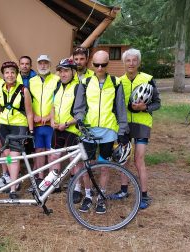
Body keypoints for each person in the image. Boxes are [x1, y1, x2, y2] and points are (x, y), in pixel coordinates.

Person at [73, 50, 129, 214]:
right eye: (96, 65)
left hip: (108, 130)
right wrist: (80, 119)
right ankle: (88, 196)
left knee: (104, 166)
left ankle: (102, 197)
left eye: (103, 65)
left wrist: (122, 130)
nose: (99, 68)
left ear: (107, 64)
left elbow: (120, 109)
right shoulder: (85, 82)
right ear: (92, 64)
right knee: (87, 166)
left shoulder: (116, 82)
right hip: (88, 131)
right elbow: (78, 108)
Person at [110, 48, 161, 209]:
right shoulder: (118, 81)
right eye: (128, 60)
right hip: (124, 125)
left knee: (139, 159)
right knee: (124, 158)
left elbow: (158, 103)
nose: (131, 63)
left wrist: (144, 108)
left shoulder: (148, 79)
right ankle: (123, 190)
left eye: (134, 60)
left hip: (142, 125)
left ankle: (144, 195)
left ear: (138, 62)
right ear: (124, 63)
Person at [0, 61, 34, 199]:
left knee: (15, 157)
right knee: (8, 156)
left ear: (16, 74)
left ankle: (12, 188)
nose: (10, 75)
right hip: (4, 126)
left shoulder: (24, 90)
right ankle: (15, 181)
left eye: (12, 72)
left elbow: (29, 112)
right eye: (6, 72)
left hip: (18, 127)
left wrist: (31, 130)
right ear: (3, 75)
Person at [48, 58, 82, 196]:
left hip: (72, 129)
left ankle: (77, 188)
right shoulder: (58, 86)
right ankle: (55, 184)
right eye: (61, 71)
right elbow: (53, 106)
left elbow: (81, 112)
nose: (63, 74)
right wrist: (52, 120)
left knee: (73, 161)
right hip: (57, 128)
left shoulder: (78, 87)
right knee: (54, 157)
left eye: (66, 71)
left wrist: (67, 124)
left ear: (73, 72)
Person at [28, 55, 59, 180]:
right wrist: (34, 115)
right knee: (39, 150)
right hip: (37, 123)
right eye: (40, 63)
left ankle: (51, 178)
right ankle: (40, 177)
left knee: (51, 151)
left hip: (51, 122)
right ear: (37, 65)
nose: (43, 66)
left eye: (46, 63)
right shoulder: (32, 81)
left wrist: (49, 115)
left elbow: (58, 100)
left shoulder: (56, 79)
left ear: (50, 65)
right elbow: (29, 101)